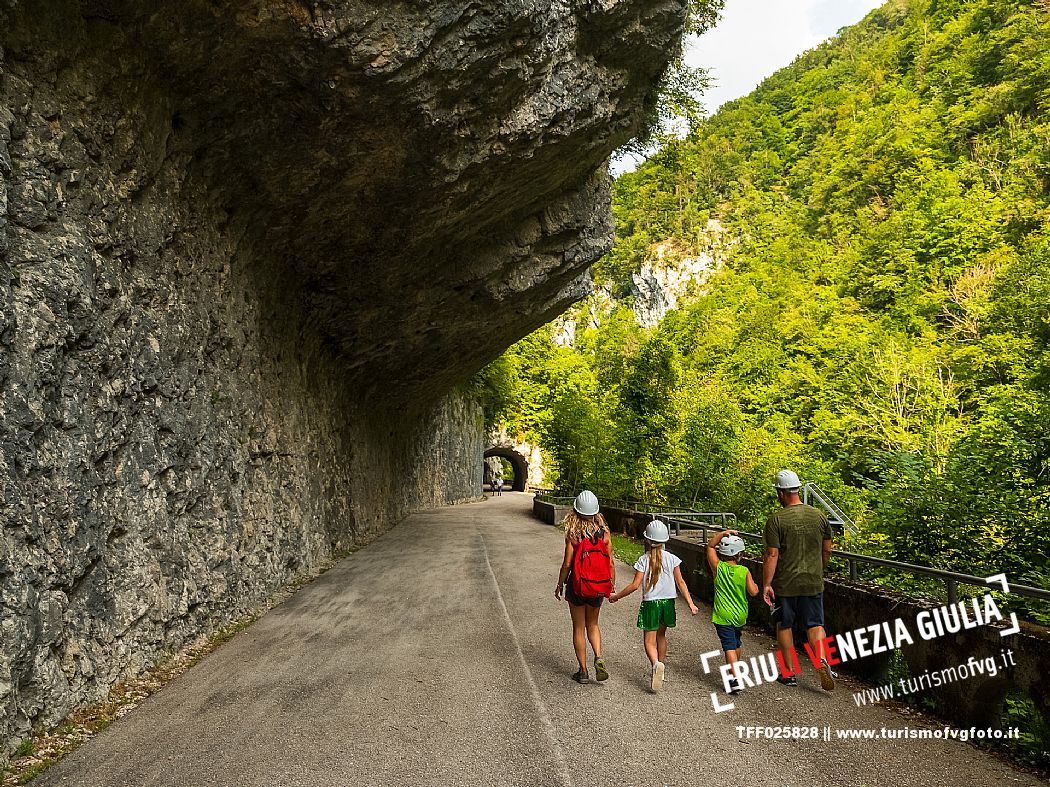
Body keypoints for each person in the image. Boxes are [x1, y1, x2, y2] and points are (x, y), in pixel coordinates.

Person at [762, 469, 836, 691]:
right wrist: (818, 569)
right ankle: (822, 659)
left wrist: (767, 583)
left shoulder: (776, 520)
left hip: (786, 584)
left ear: (782, 493)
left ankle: (789, 672)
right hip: (813, 582)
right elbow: (827, 549)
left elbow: (772, 554)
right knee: (816, 625)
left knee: (784, 626)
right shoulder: (819, 516)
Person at [610, 519, 698, 692]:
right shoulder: (673, 559)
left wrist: (617, 596)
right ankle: (661, 668)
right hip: (668, 603)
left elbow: (635, 585)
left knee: (649, 642)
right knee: (661, 636)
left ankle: (656, 664)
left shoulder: (643, 560)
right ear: (665, 539)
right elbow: (681, 582)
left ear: (647, 540)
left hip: (651, 604)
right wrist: (691, 604)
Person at [555, 490, 615, 684]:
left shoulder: (573, 535)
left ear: (576, 511)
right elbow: (611, 563)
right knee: (593, 624)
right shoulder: (604, 535)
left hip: (577, 587)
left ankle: (583, 671)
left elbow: (566, 564)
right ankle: (598, 655)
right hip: (597, 587)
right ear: (596, 512)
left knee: (579, 627)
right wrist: (610, 586)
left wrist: (559, 585)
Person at [706, 529, 759, 694]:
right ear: (739, 554)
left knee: (729, 646)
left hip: (722, 615)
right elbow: (753, 592)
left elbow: (709, 546)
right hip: (740, 614)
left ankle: (735, 677)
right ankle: (732, 673)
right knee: (736, 643)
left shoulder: (718, 568)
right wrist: (756, 587)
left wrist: (723, 534)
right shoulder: (744, 571)